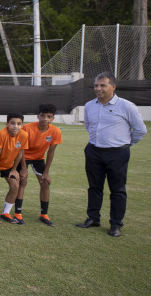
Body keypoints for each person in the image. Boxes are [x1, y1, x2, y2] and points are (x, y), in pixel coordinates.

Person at [78, 72, 147, 237]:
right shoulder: (89, 105)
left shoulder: (126, 106)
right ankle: (93, 218)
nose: (98, 88)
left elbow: (140, 130)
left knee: (117, 190)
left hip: (117, 153)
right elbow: (89, 125)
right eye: (96, 85)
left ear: (113, 87)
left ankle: (116, 224)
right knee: (94, 187)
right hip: (94, 151)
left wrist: (125, 144)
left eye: (103, 85)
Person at [18, 103, 62, 225]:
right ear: (38, 116)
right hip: (23, 157)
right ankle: (18, 213)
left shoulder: (55, 131)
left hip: (39, 159)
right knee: (22, 181)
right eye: (43, 116)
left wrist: (46, 172)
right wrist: (23, 168)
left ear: (53, 118)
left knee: (45, 183)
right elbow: (21, 150)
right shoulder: (26, 128)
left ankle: (44, 215)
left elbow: (51, 152)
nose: (45, 119)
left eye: (49, 116)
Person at [0, 113, 28, 224]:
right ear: (7, 124)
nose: (15, 126)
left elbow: (20, 152)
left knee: (15, 186)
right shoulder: (1, 134)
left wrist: (14, 169)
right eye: (13, 123)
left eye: (19, 124)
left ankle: (6, 213)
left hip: (8, 166)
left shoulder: (24, 135)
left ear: (22, 125)